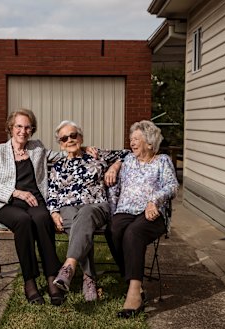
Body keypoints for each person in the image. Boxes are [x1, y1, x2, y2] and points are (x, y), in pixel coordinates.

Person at [0, 108, 65, 306]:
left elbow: (61, 156)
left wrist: (84, 149)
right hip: (7, 204)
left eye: (27, 127)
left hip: (35, 201)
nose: (23, 131)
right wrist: (16, 192)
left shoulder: (37, 148)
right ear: (10, 127)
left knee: (43, 218)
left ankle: (52, 278)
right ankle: (30, 280)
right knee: (23, 221)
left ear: (32, 130)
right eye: (19, 126)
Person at [107, 120, 179, 318]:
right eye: (131, 139)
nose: (132, 142)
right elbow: (106, 157)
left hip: (152, 213)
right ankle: (130, 278)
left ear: (150, 143)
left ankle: (134, 293)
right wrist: (114, 167)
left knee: (133, 233)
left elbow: (172, 187)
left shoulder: (162, 161)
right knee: (113, 230)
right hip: (125, 210)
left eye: (137, 139)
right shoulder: (128, 159)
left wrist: (154, 201)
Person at [48, 120, 127, 302]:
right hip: (67, 209)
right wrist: (53, 213)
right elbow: (52, 194)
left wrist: (114, 166)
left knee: (84, 214)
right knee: (79, 223)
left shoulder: (95, 155)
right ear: (60, 143)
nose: (69, 140)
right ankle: (88, 278)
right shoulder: (58, 167)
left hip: (96, 207)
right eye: (64, 138)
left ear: (80, 137)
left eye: (73, 135)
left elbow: (127, 154)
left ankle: (69, 266)